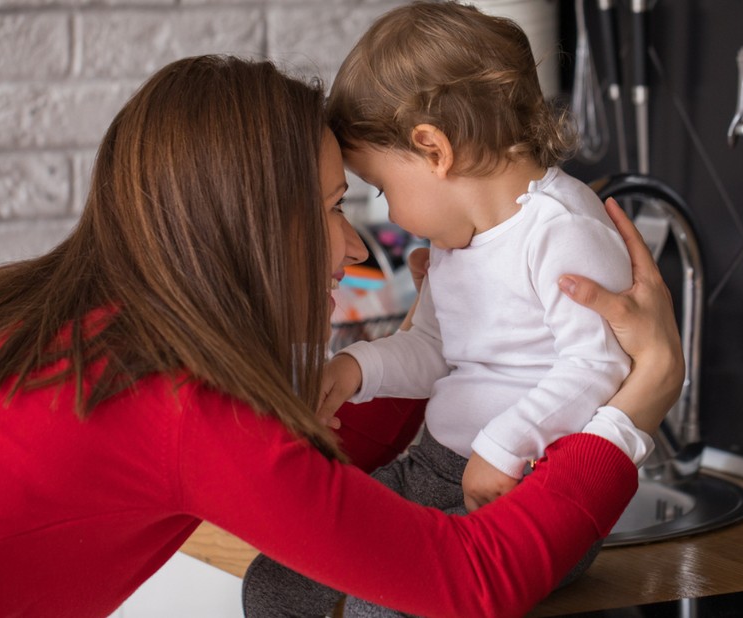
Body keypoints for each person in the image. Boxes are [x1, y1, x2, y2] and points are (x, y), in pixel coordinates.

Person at [0, 55, 682, 618]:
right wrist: (637, 402)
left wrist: (439, 333)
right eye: (331, 209)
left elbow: (313, 470)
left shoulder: (62, 313)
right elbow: (468, 579)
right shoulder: (186, 409)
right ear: (248, 226)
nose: (355, 248)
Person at [243, 3, 641, 615]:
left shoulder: (562, 229)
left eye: (381, 189)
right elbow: (433, 351)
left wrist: (505, 445)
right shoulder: (456, 243)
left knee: (383, 604)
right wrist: (353, 369)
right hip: (434, 468)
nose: (388, 215)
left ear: (434, 150)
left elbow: (598, 367)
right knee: (279, 579)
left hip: (523, 491)